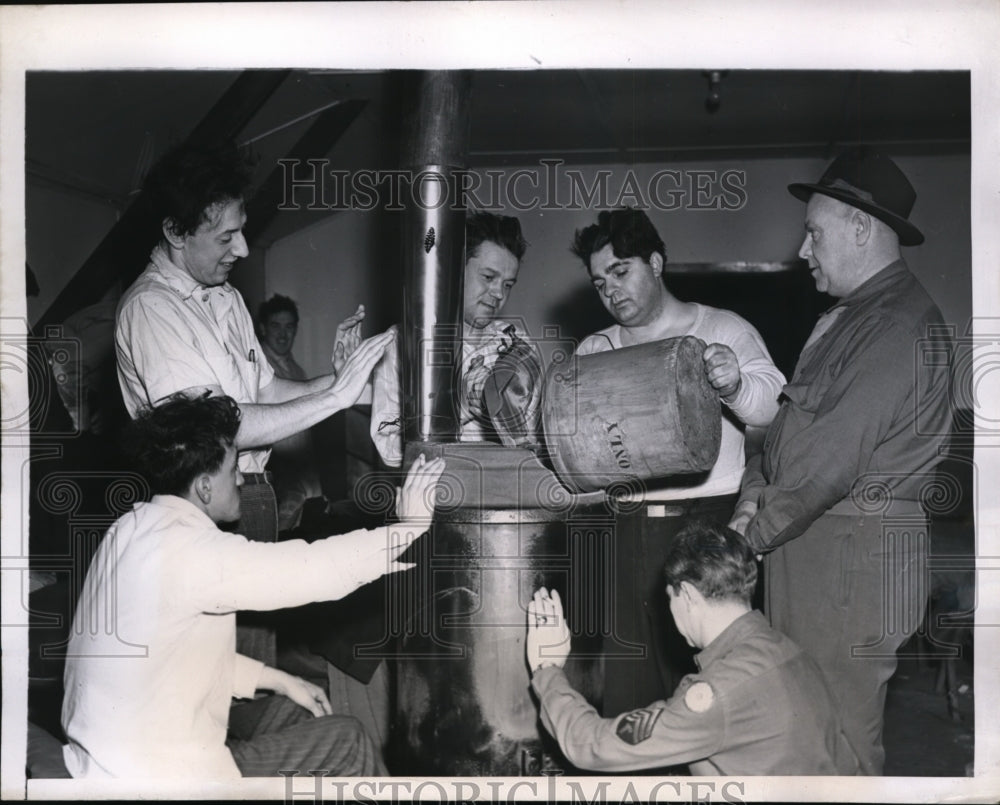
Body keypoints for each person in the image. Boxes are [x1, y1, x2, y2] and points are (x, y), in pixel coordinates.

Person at [60, 393, 445, 779]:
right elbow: (311, 570)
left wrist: (280, 679)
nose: (242, 477)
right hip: (154, 778)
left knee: (299, 707)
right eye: (233, 469)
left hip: (104, 755)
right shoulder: (192, 550)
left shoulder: (129, 527)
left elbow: (170, 656)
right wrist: (408, 529)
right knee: (349, 740)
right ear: (205, 487)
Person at [728, 146, 953, 775]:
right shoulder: (854, 318)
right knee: (807, 738)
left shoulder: (895, 326)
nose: (804, 251)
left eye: (813, 233)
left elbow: (822, 462)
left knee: (839, 750)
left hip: (849, 575)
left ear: (860, 228)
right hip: (825, 563)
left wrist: (744, 542)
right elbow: (784, 437)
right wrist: (751, 497)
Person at [114, 141, 382, 661]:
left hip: (253, 497)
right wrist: (335, 398)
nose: (240, 249)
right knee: (222, 675)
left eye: (242, 230)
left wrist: (348, 384)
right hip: (206, 508)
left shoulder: (227, 298)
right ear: (174, 231)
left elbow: (266, 392)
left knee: (255, 661)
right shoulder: (152, 311)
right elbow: (220, 428)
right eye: (226, 236)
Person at [569, 209, 786, 714]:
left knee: (712, 688)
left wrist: (733, 383)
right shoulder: (595, 349)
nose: (611, 290)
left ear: (657, 262)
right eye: (600, 282)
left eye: (621, 271)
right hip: (624, 526)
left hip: (708, 523)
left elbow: (773, 407)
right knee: (629, 689)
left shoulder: (722, 328)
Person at [526, 521, 858, 775]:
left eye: (669, 599)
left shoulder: (717, 693)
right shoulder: (793, 653)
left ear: (686, 595)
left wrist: (548, 670)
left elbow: (593, 745)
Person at [370, 211, 542, 465]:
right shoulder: (399, 344)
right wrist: (457, 406)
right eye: (488, 277)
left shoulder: (519, 344)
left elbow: (532, 440)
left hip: (507, 491)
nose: (498, 293)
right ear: (454, 270)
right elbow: (388, 447)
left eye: (508, 284)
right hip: (435, 495)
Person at [256, 293, 324, 531]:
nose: (283, 334)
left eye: (289, 326)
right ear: (263, 329)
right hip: (275, 475)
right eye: (275, 326)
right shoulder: (257, 368)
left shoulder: (297, 369)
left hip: (301, 477)